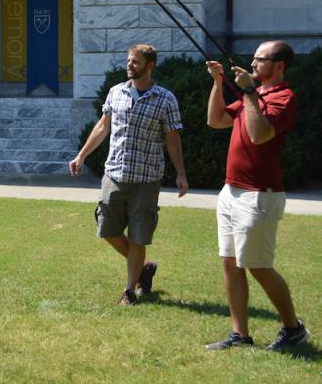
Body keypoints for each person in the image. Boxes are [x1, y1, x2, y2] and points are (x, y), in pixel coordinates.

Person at [204, 41, 310, 351]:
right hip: (231, 191)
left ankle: (293, 329)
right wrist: (218, 82)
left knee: (259, 265)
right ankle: (240, 335)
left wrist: (249, 92)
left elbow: (259, 134)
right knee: (231, 263)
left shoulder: (283, 97)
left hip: (260, 196)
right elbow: (217, 121)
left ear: (278, 66)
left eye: (259, 60)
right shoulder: (256, 95)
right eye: (252, 59)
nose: (252, 64)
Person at [69, 44, 188, 306]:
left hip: (146, 179)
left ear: (150, 65)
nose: (129, 65)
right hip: (114, 174)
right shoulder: (116, 92)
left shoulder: (165, 99)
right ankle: (144, 269)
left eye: (135, 62)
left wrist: (180, 172)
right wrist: (82, 155)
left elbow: (172, 138)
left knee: (138, 236)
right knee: (107, 230)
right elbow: (103, 126)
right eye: (128, 61)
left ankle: (129, 291)